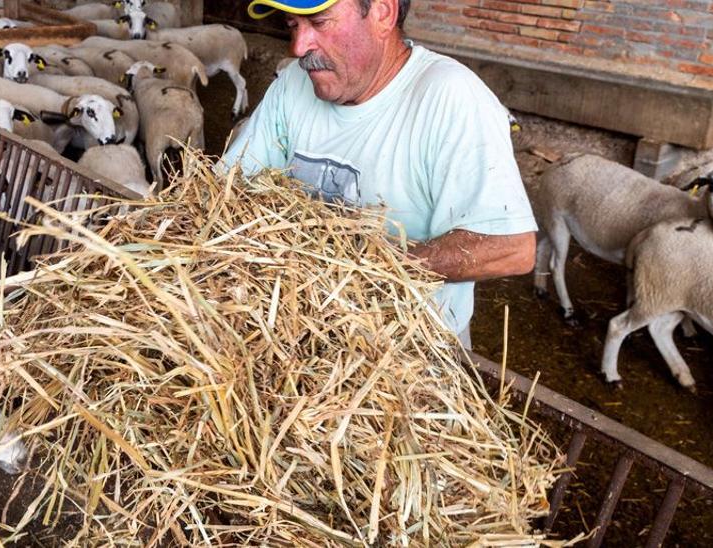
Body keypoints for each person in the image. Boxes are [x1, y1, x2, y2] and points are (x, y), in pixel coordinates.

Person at [222, 0, 537, 348]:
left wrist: (371, 271)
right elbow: (228, 193)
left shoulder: (450, 97)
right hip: (299, 336)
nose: (298, 47)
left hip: (407, 356)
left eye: (319, 22)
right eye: (292, 25)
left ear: (382, 13)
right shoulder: (291, 86)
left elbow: (512, 246)